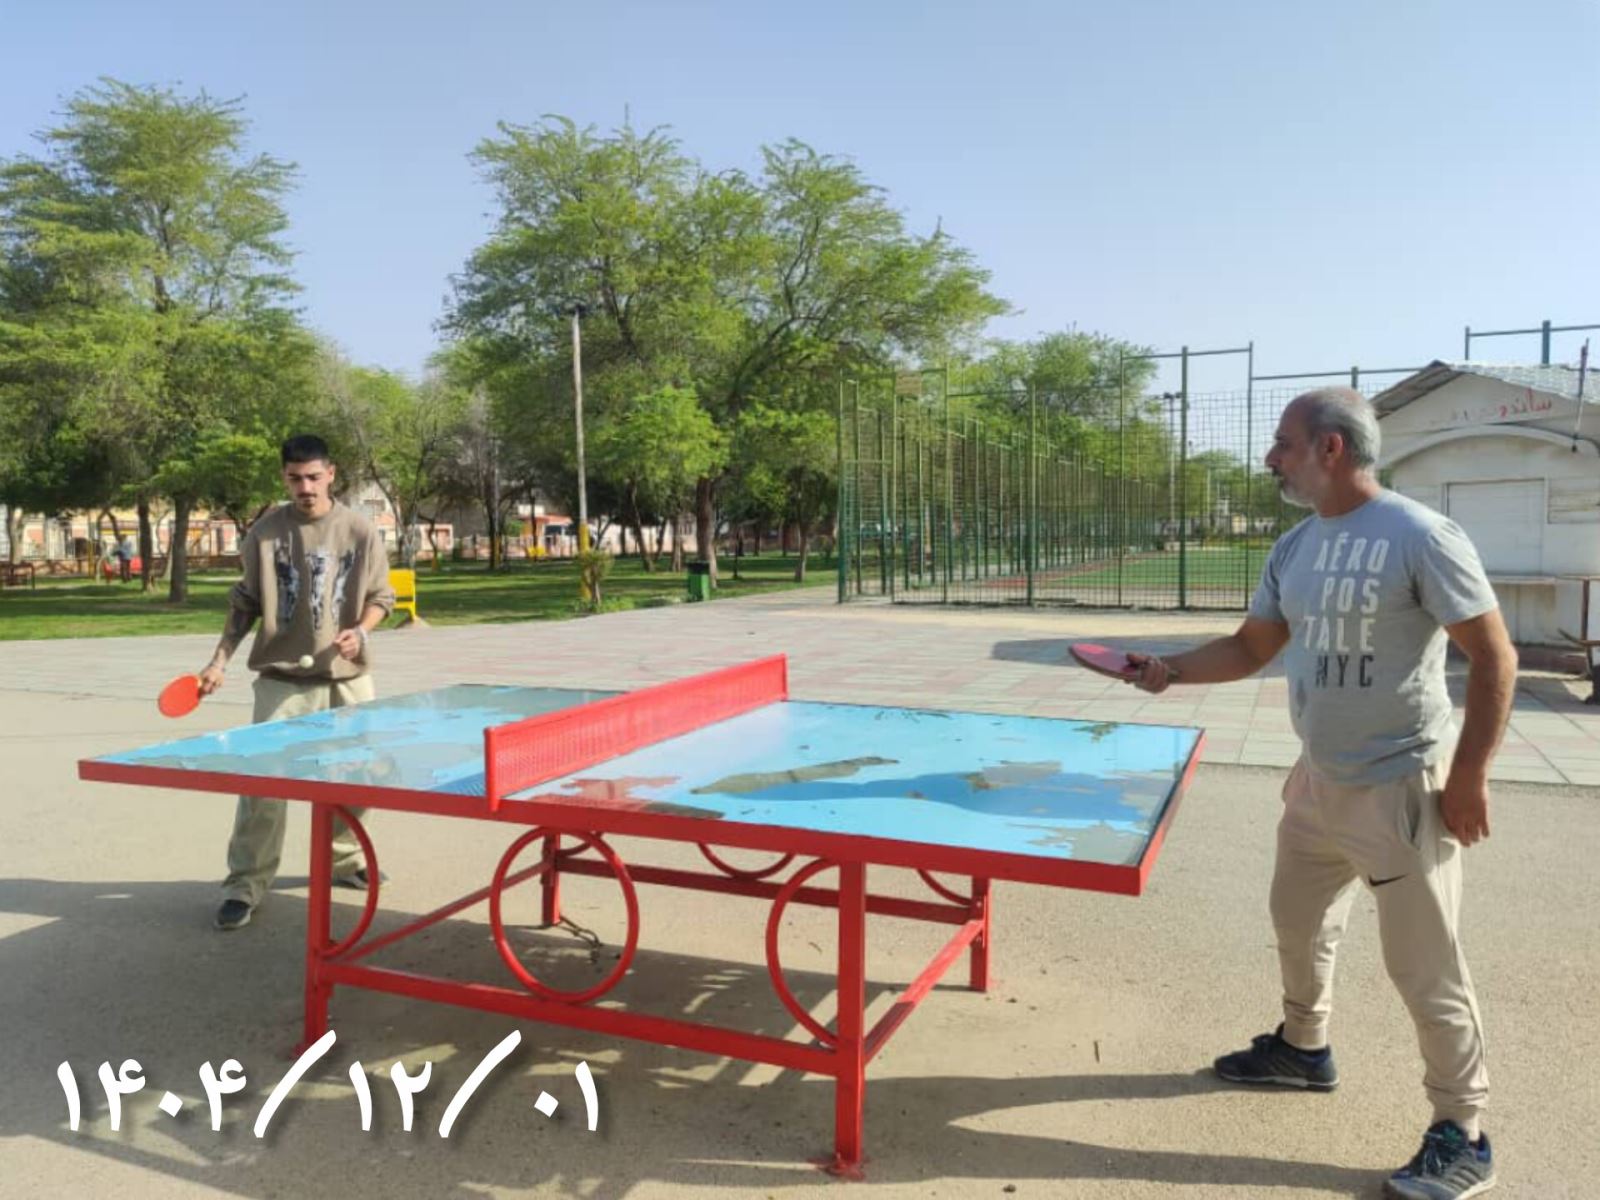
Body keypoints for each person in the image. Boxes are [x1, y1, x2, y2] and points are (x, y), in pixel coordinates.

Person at [1126, 388, 1515, 1200]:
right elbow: (1251, 647)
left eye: (1283, 442)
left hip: (1400, 782)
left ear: (1330, 448)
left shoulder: (1421, 535)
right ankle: (1304, 1050)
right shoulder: (1296, 546)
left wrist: (1469, 776)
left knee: (1426, 966)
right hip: (1317, 780)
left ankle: (1464, 1131)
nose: (1271, 457)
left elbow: (1493, 657)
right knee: (1296, 922)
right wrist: (1169, 672)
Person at [197, 434, 395, 933]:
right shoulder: (264, 534)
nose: (305, 487)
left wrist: (361, 631)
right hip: (282, 680)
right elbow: (244, 603)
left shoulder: (360, 530)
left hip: (347, 678)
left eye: (313, 477)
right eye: (294, 478)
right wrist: (218, 662)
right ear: (284, 478)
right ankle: (244, 884)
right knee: (262, 787)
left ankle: (345, 861)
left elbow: (382, 598)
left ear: (331, 474)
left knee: (356, 781)